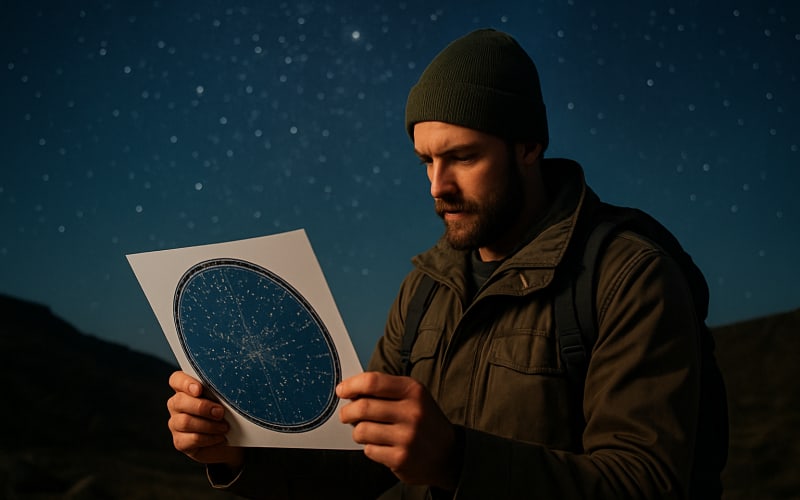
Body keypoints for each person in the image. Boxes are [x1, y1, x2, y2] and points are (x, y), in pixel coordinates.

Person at [167, 28, 726, 499]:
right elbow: (361, 462)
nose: (439, 187)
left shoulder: (628, 274)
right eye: (426, 161)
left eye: (462, 157)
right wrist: (236, 454)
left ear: (529, 146)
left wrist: (455, 460)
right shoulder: (425, 289)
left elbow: (646, 483)